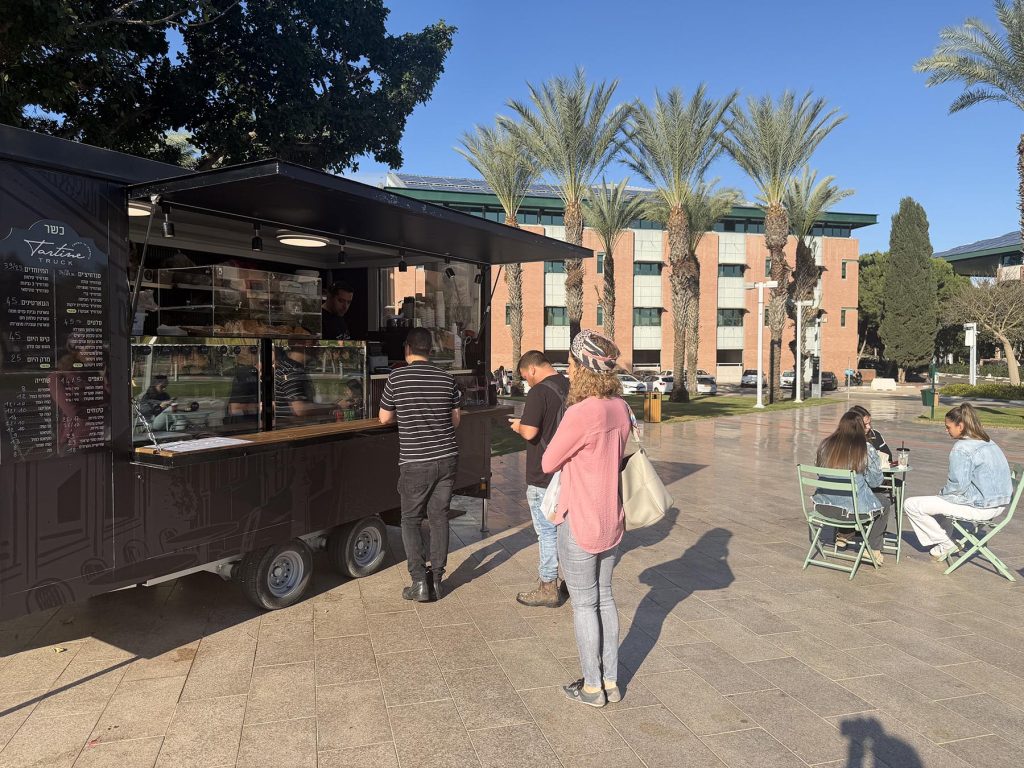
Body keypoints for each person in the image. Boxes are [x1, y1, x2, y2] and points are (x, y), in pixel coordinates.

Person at [541, 329, 631, 707]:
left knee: (583, 605)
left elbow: (548, 462)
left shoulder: (581, 412)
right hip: (612, 518)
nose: (568, 367)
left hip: (579, 519)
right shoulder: (621, 407)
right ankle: (611, 681)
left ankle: (592, 686)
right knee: (605, 599)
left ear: (582, 366)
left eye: (571, 361)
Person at [379, 327, 462, 602]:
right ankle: (437, 580)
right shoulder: (447, 378)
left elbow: (383, 418)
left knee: (411, 520)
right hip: (447, 458)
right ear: (431, 350)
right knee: (439, 519)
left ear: (407, 349)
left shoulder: (397, 377)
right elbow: (456, 420)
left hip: (415, 461)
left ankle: (419, 582)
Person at [904, 403, 1013, 561]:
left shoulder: (962, 448)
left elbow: (957, 487)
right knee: (941, 500)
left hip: (981, 506)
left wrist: (941, 495)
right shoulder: (989, 442)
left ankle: (945, 543)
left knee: (911, 505)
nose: (946, 430)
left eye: (948, 427)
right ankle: (942, 545)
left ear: (960, 426)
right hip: (1000, 505)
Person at [509, 350, 569, 607]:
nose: (526, 382)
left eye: (525, 377)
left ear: (532, 369)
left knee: (546, 531)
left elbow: (530, 432)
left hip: (543, 473)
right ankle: (574, 581)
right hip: (568, 469)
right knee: (566, 530)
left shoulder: (539, 392)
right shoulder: (571, 385)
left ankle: (547, 586)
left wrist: (518, 425)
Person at [812, 410, 892, 565]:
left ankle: (844, 534)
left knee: (861, 497)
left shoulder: (825, 445)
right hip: (852, 510)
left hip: (823, 506)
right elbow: (876, 482)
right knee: (884, 503)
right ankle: (872, 549)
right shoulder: (865, 448)